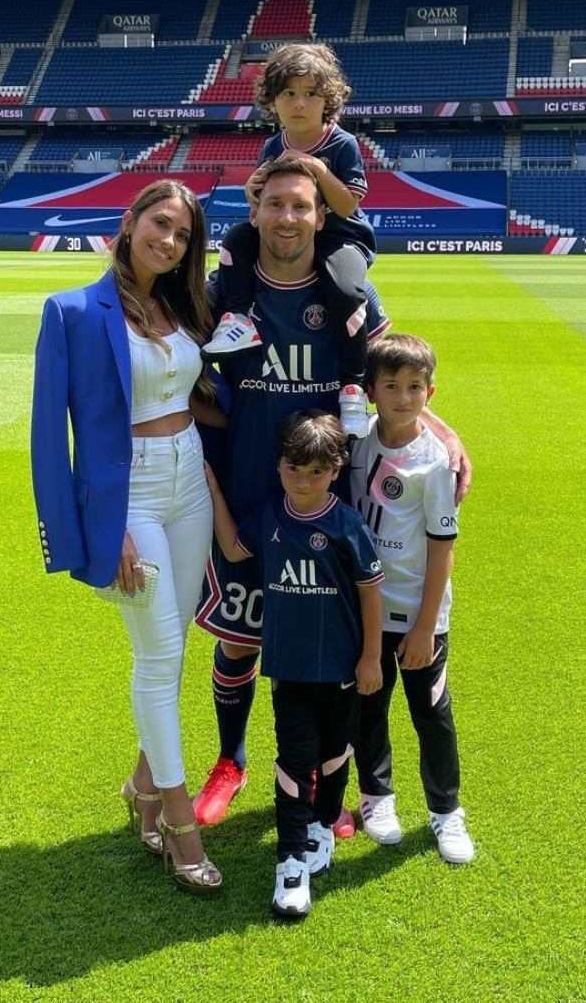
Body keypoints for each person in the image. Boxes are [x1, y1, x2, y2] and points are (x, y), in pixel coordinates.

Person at [193, 157, 471, 834]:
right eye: (276, 205)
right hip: (247, 489)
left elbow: (395, 380)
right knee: (239, 638)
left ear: (322, 216)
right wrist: (219, 504)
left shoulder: (348, 291)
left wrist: (440, 424)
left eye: (302, 207)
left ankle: (325, 782)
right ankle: (231, 761)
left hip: (330, 502)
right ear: (255, 211)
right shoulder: (221, 290)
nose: (288, 218)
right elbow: (184, 402)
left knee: (335, 648)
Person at [31, 179, 224, 895]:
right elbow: (52, 439)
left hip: (188, 478)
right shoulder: (72, 311)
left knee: (172, 651)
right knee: (159, 652)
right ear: (130, 219)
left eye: (181, 234)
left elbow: (199, 395)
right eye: (159, 224)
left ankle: (142, 784)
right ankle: (178, 821)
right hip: (130, 494)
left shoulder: (180, 304)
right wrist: (92, 529)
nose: (168, 241)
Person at [206, 411, 385, 918]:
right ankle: (290, 863)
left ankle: (323, 825)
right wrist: (212, 487)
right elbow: (234, 548)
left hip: (343, 671)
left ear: (334, 470)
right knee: (293, 760)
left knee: (334, 755)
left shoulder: (346, 526)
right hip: (290, 673)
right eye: (292, 468)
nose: (302, 481)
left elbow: (372, 592)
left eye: (315, 472)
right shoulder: (269, 517)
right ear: (279, 465)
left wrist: (371, 657)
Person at [201, 42, 375, 439]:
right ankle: (238, 318)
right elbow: (263, 197)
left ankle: (351, 387)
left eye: (311, 94)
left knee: (346, 290)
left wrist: (317, 170)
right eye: (289, 94)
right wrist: (252, 191)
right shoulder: (273, 145)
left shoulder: (341, 144)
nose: (299, 104)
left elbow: (347, 206)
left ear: (328, 99)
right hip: (294, 233)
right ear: (273, 101)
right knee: (237, 240)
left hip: (341, 238)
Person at [350, 333, 475, 864]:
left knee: (431, 713)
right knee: (368, 706)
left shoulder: (435, 461)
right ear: (371, 392)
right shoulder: (355, 442)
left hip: (419, 615)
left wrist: (426, 627)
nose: (404, 397)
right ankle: (377, 798)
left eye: (415, 387)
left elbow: (442, 549)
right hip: (364, 613)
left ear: (431, 392)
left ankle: (446, 812)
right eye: (392, 386)